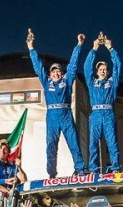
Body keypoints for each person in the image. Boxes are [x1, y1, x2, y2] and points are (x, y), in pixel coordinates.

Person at [27, 32, 86, 177]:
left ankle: (80, 169)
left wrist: (79, 45)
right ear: (50, 74)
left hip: (66, 115)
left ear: (62, 73)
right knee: (51, 145)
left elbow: (73, 65)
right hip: (52, 116)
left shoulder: (67, 80)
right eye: (54, 72)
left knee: (73, 142)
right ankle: (52, 173)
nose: (56, 74)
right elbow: (38, 66)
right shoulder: (46, 81)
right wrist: (31, 47)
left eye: (58, 71)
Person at [84, 37, 121, 172]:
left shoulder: (112, 82)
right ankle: (93, 168)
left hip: (108, 113)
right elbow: (86, 67)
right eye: (100, 69)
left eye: (105, 69)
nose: (103, 71)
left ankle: (115, 167)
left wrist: (110, 48)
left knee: (112, 142)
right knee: (93, 143)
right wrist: (94, 48)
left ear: (108, 71)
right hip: (95, 114)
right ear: (97, 71)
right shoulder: (92, 82)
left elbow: (118, 65)